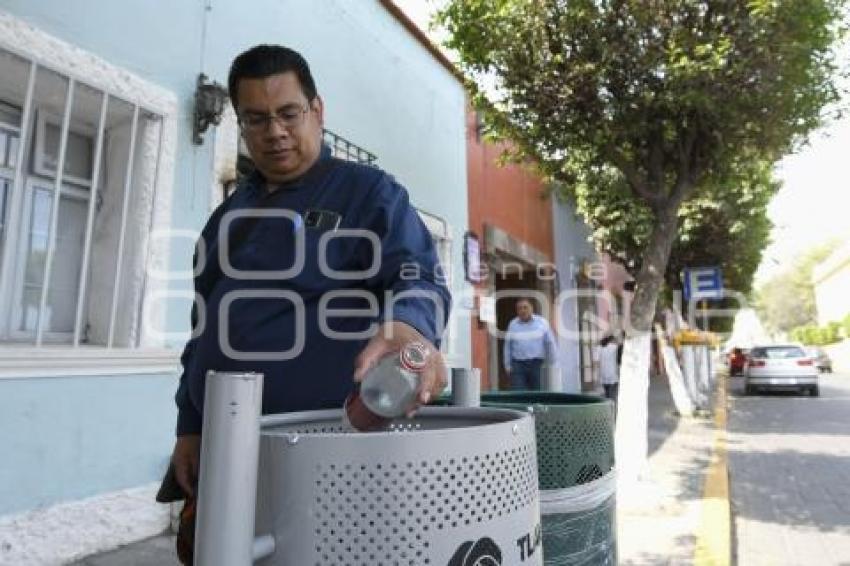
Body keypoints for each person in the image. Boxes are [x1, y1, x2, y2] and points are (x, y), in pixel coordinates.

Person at [164, 45, 451, 560]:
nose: (274, 131)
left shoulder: (368, 193)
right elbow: (202, 328)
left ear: (317, 111)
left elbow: (418, 275)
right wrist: (189, 424)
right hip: (226, 451)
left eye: (288, 113)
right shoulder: (226, 217)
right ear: (242, 124)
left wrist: (410, 324)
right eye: (256, 118)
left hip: (330, 454)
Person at [502, 298, 557, 390]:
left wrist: (553, 363)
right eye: (519, 308)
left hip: (537, 364)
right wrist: (507, 365)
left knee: (538, 392)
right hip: (518, 365)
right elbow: (508, 346)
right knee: (518, 393)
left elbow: (550, 343)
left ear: (531, 308)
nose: (522, 310)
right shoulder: (513, 324)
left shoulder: (542, 323)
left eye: (525, 307)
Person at [596, 334, 621, 408]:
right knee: (612, 393)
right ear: (611, 340)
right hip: (612, 373)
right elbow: (620, 345)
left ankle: (607, 405)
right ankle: (611, 406)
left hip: (603, 373)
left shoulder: (599, 348)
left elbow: (596, 362)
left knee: (606, 392)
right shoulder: (614, 347)